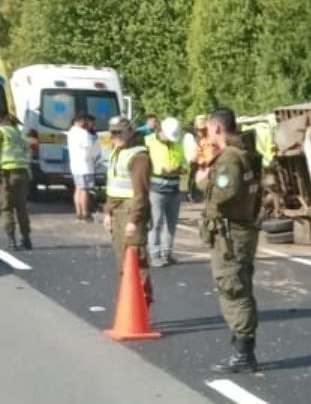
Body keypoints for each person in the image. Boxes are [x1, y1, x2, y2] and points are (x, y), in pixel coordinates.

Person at [197, 108, 262, 373]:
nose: (208, 135)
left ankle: (244, 353)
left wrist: (203, 181)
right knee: (236, 286)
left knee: (233, 289)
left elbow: (224, 194)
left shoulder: (229, 159)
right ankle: (241, 347)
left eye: (209, 130)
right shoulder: (245, 155)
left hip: (231, 235)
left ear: (218, 129)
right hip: (238, 231)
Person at [103, 116, 153, 304]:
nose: (114, 136)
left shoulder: (138, 156)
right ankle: (130, 305)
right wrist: (107, 212)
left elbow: (141, 192)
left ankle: (143, 306)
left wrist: (134, 220)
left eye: (119, 132)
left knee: (136, 261)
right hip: (117, 211)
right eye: (112, 132)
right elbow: (112, 186)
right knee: (123, 262)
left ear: (130, 132)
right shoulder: (116, 152)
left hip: (131, 210)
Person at [0, 109, 32, 251]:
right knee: (21, 207)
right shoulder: (17, 132)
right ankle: (27, 239)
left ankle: (12, 241)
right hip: (23, 173)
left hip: (7, 174)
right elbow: (27, 151)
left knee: (7, 207)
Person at [145, 117, 188, 267]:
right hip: (156, 190)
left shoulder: (177, 144)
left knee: (171, 223)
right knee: (155, 223)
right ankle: (155, 254)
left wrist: (179, 169)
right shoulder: (149, 142)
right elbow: (144, 165)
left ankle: (166, 253)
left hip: (174, 189)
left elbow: (185, 164)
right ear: (161, 131)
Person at [67, 112, 101, 222]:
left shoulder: (71, 132)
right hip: (85, 166)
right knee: (85, 190)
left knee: (78, 189)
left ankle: (79, 213)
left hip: (75, 166)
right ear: (81, 121)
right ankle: (86, 214)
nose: (87, 123)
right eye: (86, 121)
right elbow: (90, 150)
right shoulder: (83, 133)